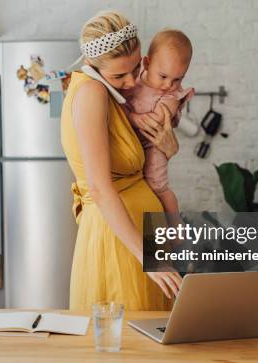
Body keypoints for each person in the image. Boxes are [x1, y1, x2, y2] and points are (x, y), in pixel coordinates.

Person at [61, 10, 183, 311]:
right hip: (120, 243)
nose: (130, 82)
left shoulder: (110, 92)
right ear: (92, 65)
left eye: (135, 69)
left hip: (139, 239)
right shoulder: (91, 92)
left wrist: (168, 147)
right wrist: (146, 257)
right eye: (119, 75)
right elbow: (100, 188)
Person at [122, 29, 194, 217]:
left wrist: (132, 117)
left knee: (158, 188)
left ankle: (176, 230)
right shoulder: (132, 81)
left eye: (177, 79)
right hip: (130, 144)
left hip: (153, 146)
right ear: (146, 63)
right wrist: (133, 118)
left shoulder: (171, 96)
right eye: (163, 76)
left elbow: (155, 122)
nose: (169, 85)